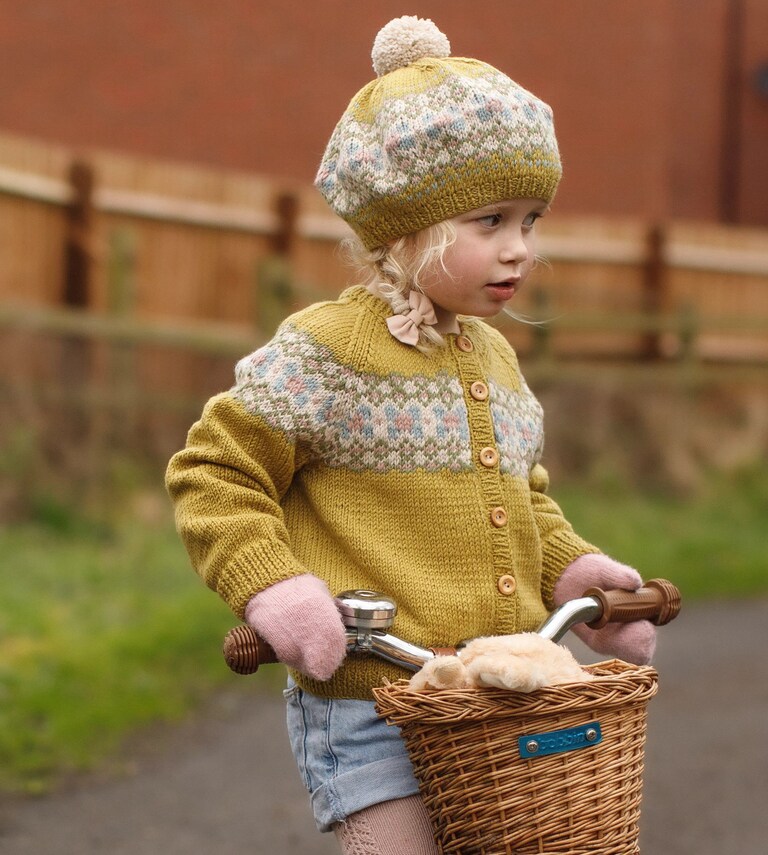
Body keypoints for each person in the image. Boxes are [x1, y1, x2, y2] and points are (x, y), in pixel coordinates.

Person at [166, 16, 656, 855]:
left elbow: (519, 495)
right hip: (371, 701)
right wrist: (273, 584)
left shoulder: (495, 358)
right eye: (490, 221)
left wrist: (570, 567)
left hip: (499, 694)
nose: (519, 251)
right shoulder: (329, 351)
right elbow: (215, 470)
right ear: (404, 227)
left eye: (531, 221)